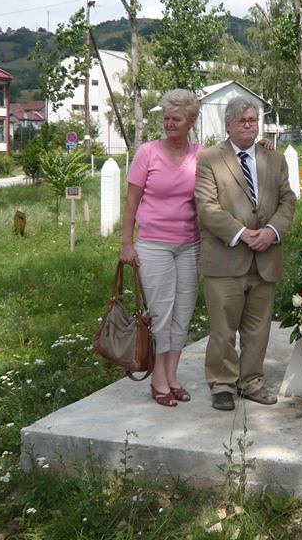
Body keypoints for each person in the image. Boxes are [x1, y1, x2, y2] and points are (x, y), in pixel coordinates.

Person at [195, 97, 296, 411]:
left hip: (265, 257)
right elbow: (207, 207)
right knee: (223, 329)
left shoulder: (274, 159)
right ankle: (222, 385)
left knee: (258, 328)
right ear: (228, 124)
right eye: (243, 121)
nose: (249, 125)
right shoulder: (210, 159)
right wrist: (242, 233)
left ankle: (251, 381)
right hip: (226, 257)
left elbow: (287, 201)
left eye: (253, 120)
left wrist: (271, 232)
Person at [120, 89, 204, 408]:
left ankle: (172, 376)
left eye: (176, 119)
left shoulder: (201, 153)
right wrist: (127, 243)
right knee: (161, 313)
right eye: (166, 118)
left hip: (190, 245)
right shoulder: (147, 153)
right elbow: (131, 202)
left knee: (183, 312)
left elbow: (232, 161)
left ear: (191, 121)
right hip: (153, 245)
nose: (169, 124)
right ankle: (157, 378)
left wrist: (262, 147)